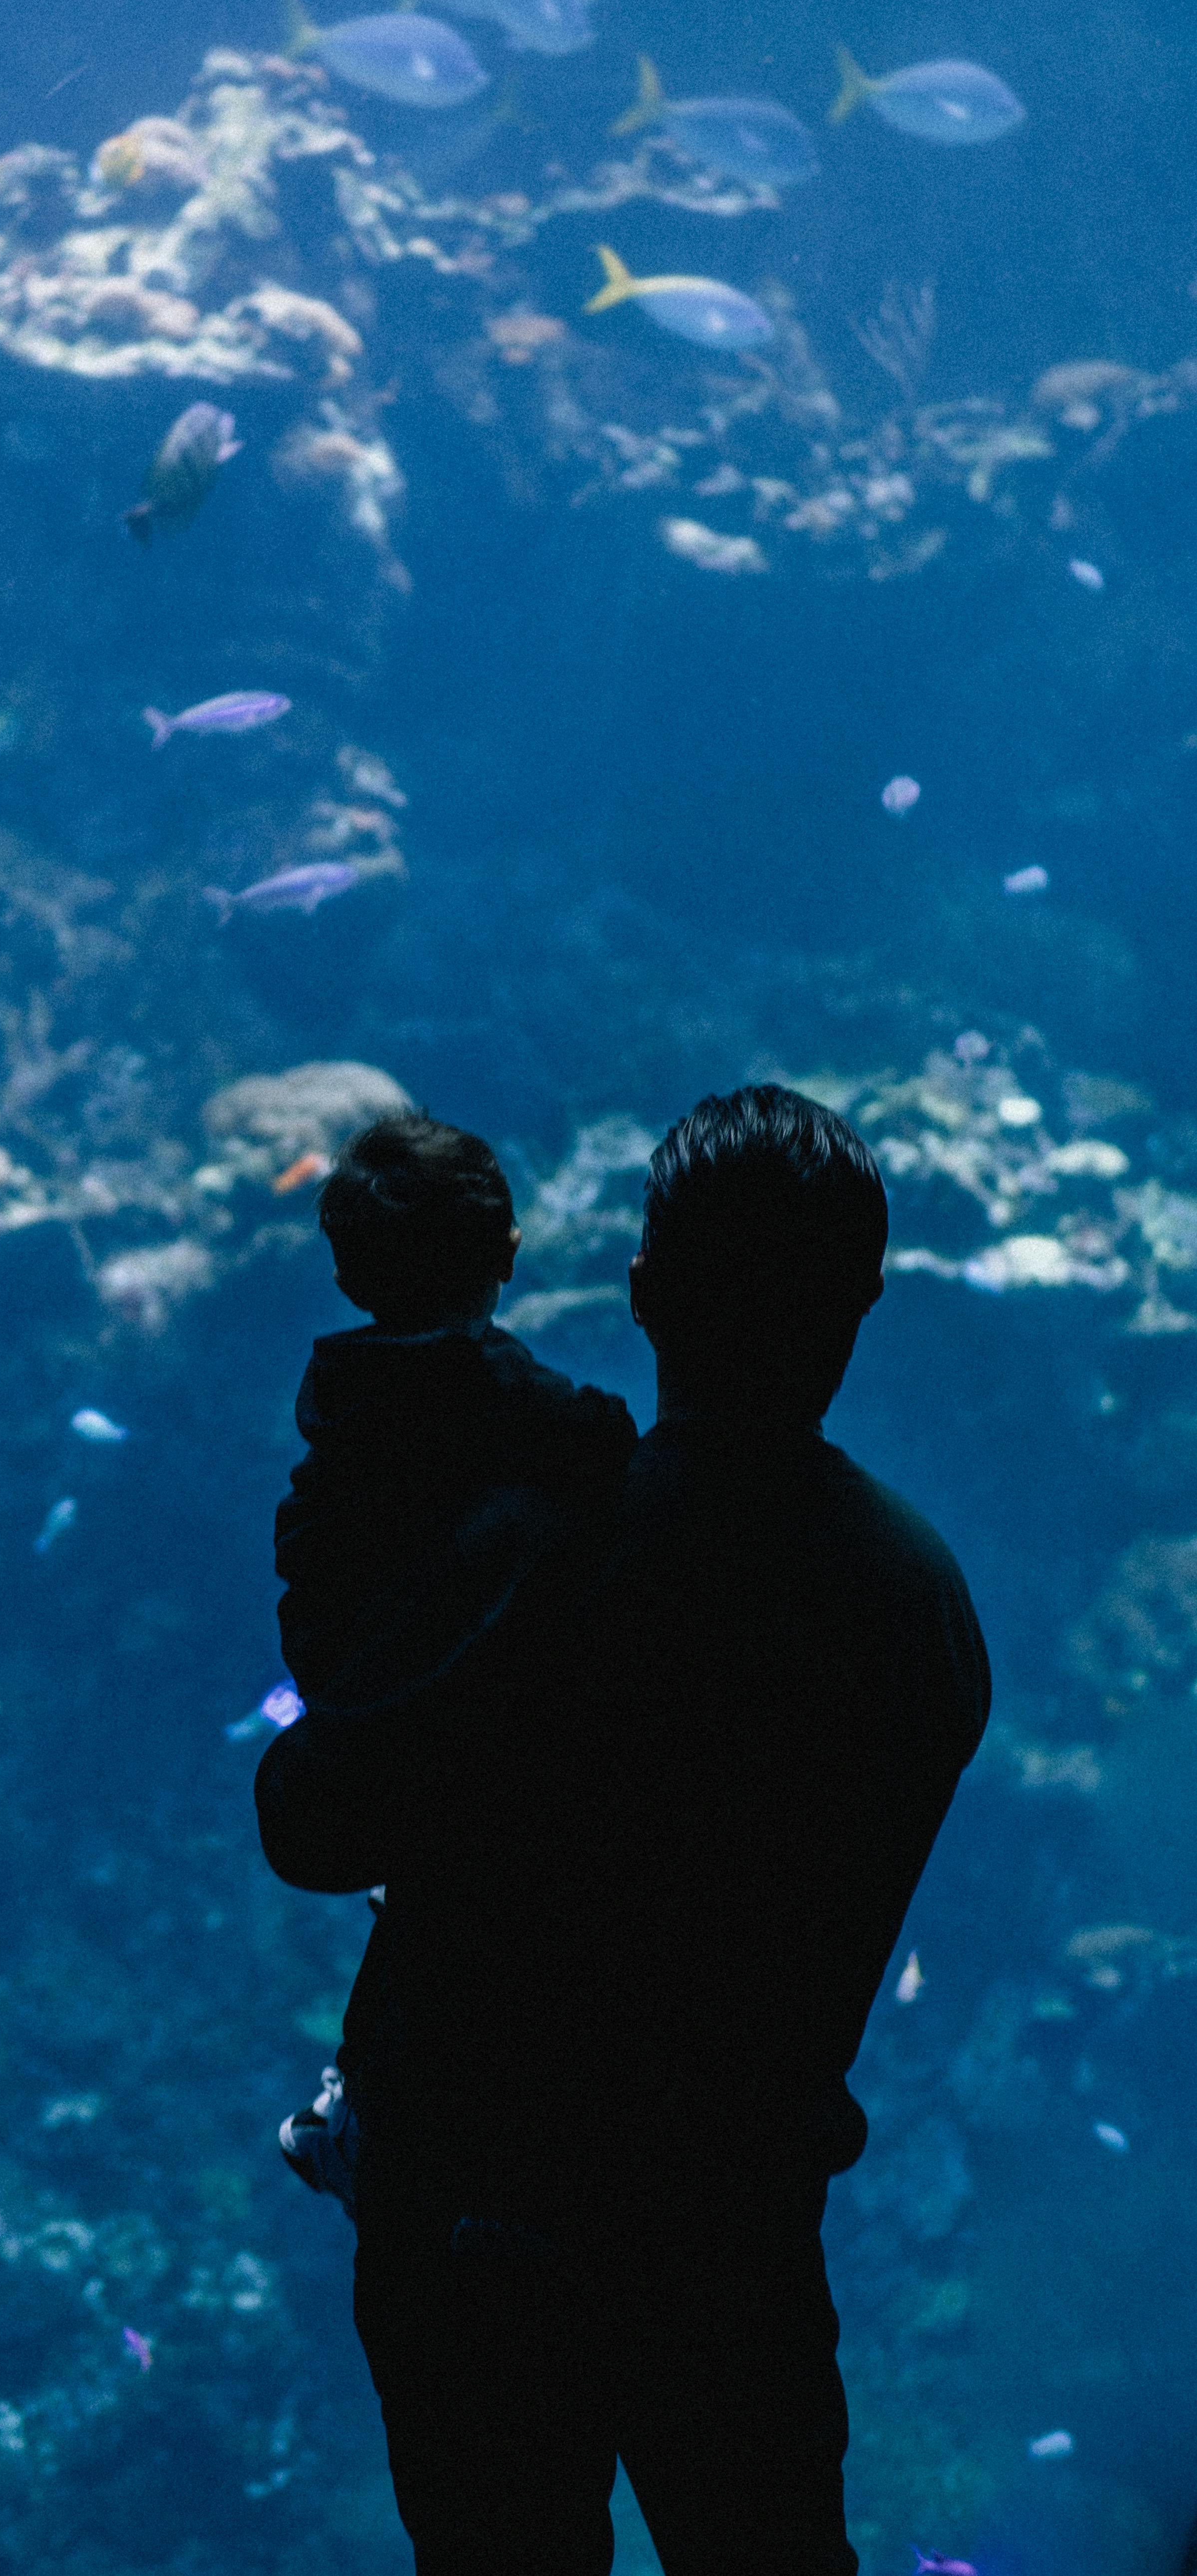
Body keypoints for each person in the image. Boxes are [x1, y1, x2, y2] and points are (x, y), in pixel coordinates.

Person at [256, 1083, 991, 2576]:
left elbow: (315, 1820)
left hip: (475, 2231)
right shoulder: (919, 1602)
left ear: (644, 1290)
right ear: (862, 1304)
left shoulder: (553, 1540)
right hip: (732, 2241)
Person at [266, 1110, 636, 2206]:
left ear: (343, 1273)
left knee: (410, 1907)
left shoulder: (338, 1419)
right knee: (451, 1907)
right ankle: (392, 2113)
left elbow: (318, 1612)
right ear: (509, 1256)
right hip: (497, 1764)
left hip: (368, 1748)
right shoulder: (538, 1419)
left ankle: (357, 2110)